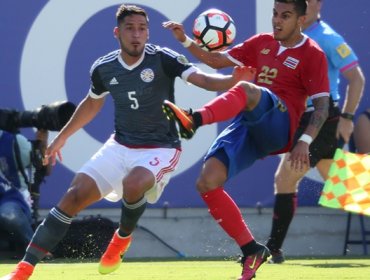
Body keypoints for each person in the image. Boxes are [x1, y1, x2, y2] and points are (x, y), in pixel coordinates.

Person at [1, 4, 252, 280]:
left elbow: (203, 79)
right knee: (72, 197)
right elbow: (91, 105)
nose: (136, 35)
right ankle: (23, 269)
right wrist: (61, 138)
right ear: (117, 32)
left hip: (161, 148)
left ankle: (122, 237)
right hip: (120, 146)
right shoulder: (104, 68)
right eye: (130, 29)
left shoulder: (164, 58)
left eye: (142, 29)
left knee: (133, 183)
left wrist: (231, 81)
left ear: (148, 32)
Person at [163, 0, 331, 278]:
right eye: (275, 14)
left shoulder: (313, 54)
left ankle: (195, 120)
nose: (277, 21)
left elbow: (322, 107)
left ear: (301, 20)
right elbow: (216, 60)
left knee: (246, 89)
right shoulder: (261, 42)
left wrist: (304, 141)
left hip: (281, 124)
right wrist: (184, 40)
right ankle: (252, 249)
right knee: (207, 181)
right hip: (250, 124)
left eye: (285, 16)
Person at [264, 0, 365, 263]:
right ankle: (273, 249)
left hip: (322, 118)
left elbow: (356, 78)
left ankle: (273, 250)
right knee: (348, 188)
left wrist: (347, 117)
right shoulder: (290, 36)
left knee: (285, 178)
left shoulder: (328, 38)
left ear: (319, 4)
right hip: (303, 118)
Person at [0, 129, 51, 258]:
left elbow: (44, 167)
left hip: (12, 198)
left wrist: (43, 143)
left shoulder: (13, 141)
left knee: (9, 213)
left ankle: (36, 248)